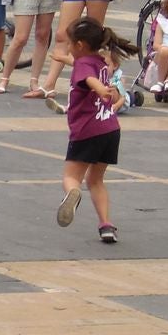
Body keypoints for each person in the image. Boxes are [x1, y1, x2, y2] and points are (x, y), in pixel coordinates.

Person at [54, 17, 136, 244]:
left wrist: (100, 88)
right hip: (110, 128)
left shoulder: (84, 67)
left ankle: (73, 192)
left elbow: (87, 77)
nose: (69, 48)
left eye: (70, 44)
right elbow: (86, 68)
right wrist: (65, 58)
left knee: (71, 176)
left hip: (87, 130)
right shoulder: (99, 61)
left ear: (80, 45)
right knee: (96, 180)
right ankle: (106, 225)